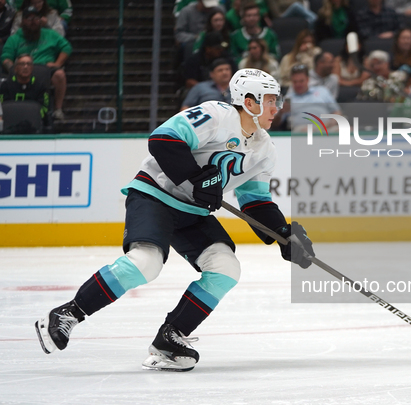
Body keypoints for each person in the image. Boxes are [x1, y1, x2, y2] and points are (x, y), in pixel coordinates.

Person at [34, 68, 316, 372]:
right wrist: (197, 179)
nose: (278, 108)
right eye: (271, 100)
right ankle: (68, 314)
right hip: (155, 196)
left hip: (192, 212)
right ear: (249, 101)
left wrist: (284, 234)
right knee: (146, 262)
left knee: (226, 268)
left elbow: (255, 200)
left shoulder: (263, 148)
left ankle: (170, 337)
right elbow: (163, 139)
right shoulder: (216, 115)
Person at [1, 6, 71, 120]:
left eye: (36, 18)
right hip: (21, 68)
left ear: (40, 20)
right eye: (29, 18)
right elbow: (6, 57)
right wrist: (14, 69)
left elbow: (66, 47)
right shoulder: (15, 38)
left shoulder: (50, 34)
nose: (33, 21)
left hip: (46, 68)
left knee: (60, 74)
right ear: (23, 21)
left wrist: (57, 64)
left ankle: (57, 110)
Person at [281, 64, 341, 132]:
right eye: (295, 82)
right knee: (307, 131)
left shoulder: (322, 91)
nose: (298, 84)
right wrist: (281, 112)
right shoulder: (288, 98)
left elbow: (336, 111)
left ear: (307, 79)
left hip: (327, 127)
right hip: (303, 129)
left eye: (301, 81)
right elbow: (276, 123)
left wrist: (331, 122)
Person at [0, 53, 50, 130]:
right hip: (9, 127)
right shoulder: (5, 86)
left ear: (32, 67)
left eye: (28, 64)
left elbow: (44, 109)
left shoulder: (40, 87)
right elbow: (2, 109)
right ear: (15, 68)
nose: (25, 67)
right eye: (22, 64)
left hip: (34, 126)